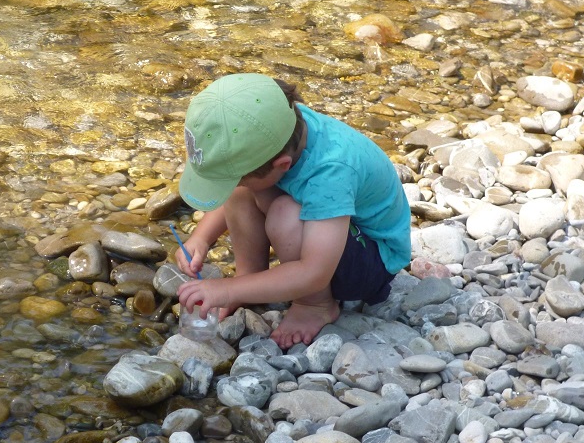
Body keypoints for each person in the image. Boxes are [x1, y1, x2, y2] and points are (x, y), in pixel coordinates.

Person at [175, 73, 411, 349]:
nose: (231, 188)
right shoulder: (280, 125)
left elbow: (315, 271)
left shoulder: (332, 170)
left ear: (282, 165)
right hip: (334, 231)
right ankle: (248, 277)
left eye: (235, 179)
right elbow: (240, 188)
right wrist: (201, 237)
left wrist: (224, 290)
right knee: (244, 189)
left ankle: (315, 304)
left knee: (285, 213)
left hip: (372, 258)